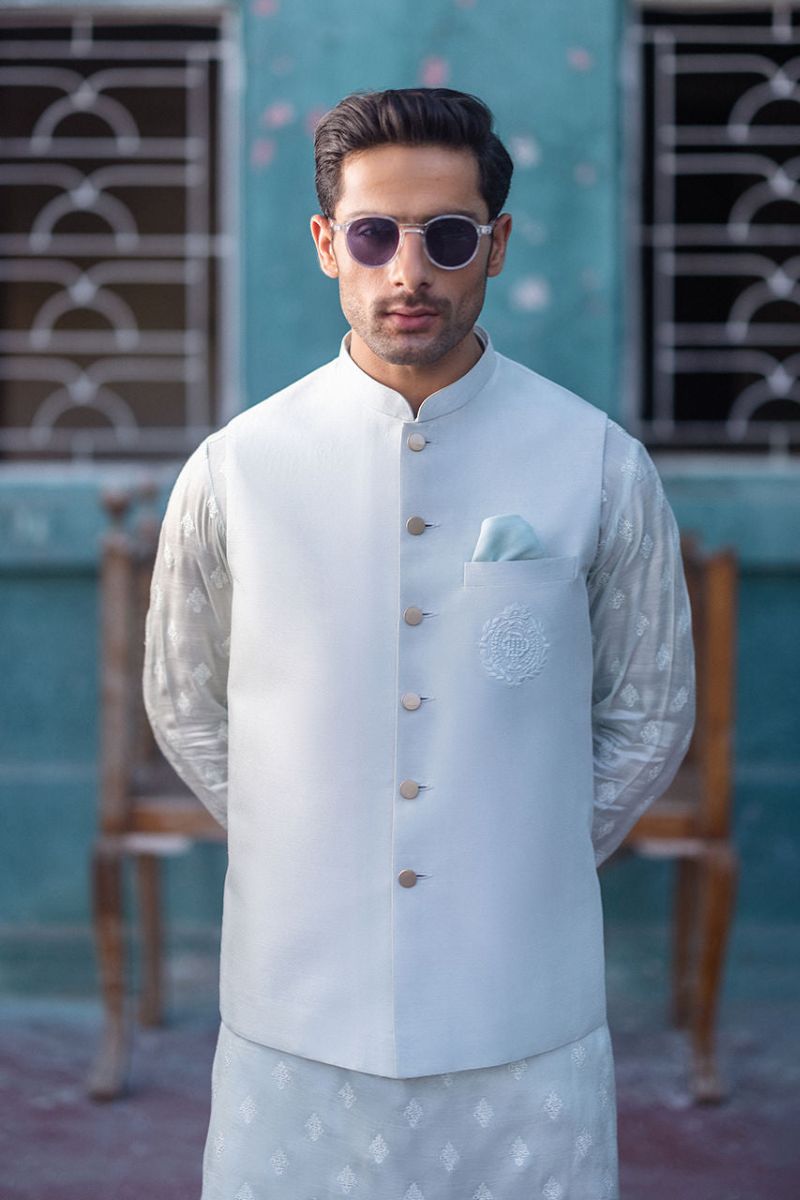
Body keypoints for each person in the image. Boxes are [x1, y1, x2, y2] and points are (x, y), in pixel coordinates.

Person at [143, 87, 695, 1200]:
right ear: (325, 244)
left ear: (495, 244)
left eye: (446, 237)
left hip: (522, 998)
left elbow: (649, 711)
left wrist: (518, 851)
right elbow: (185, 702)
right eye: (373, 235)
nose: (409, 272)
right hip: (294, 1000)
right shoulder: (237, 468)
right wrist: (311, 844)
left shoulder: (594, 460)